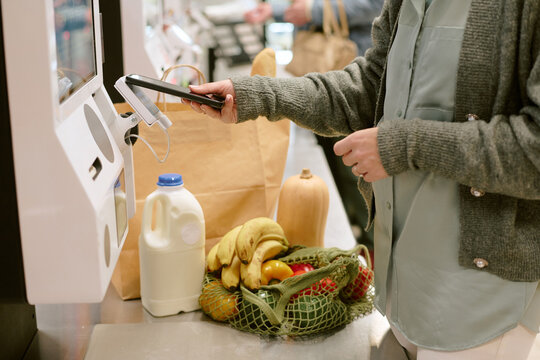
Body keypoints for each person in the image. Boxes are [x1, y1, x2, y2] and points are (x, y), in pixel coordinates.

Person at [184, 0, 540, 358]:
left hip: (481, 303)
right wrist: (257, 95)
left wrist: (402, 145)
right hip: (404, 286)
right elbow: (371, 87)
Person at [245, 0, 384, 247]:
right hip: (327, 74)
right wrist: (277, 11)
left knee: (354, 165)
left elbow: (375, 6)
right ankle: (351, 233)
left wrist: (313, 12)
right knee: (332, 163)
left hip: (353, 67)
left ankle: (371, 240)